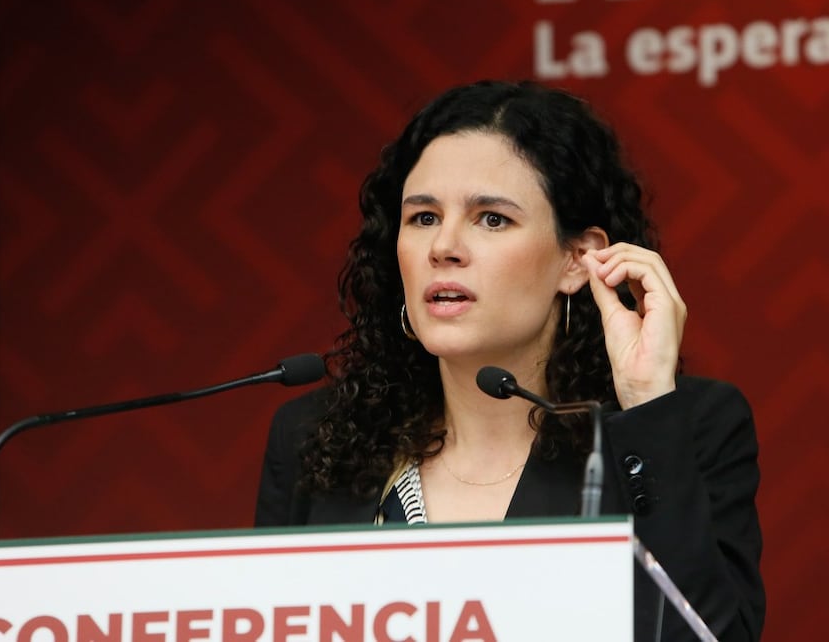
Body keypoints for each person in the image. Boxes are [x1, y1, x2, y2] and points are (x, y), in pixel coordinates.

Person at [255, 80, 764, 640]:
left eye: (492, 219)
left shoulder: (682, 428)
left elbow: (711, 634)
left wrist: (646, 405)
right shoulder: (312, 438)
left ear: (578, 259)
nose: (443, 247)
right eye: (423, 217)